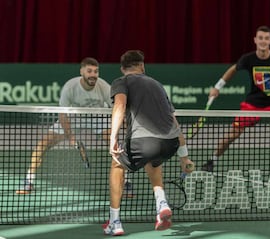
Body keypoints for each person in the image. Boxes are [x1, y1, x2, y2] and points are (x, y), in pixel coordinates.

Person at [103, 50, 194, 235]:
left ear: (122, 69)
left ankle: (115, 222)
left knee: (117, 164)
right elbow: (173, 120)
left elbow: (119, 105)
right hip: (170, 143)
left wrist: (113, 137)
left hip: (143, 141)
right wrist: (184, 158)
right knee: (153, 161)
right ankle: (161, 205)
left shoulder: (121, 82)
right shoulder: (157, 84)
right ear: (142, 66)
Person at [15, 57, 134, 196]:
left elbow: (117, 109)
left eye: (96, 71)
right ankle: (28, 181)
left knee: (116, 147)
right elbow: (62, 114)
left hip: (98, 117)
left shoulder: (104, 87)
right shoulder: (70, 87)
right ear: (81, 72)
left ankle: (126, 183)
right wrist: (70, 136)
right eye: (89, 71)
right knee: (42, 145)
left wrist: (127, 127)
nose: (93, 75)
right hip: (75, 117)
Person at [201, 25, 270, 172]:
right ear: (255, 40)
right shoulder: (248, 59)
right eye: (260, 38)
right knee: (232, 134)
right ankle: (212, 161)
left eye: (266, 38)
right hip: (253, 104)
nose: (263, 41)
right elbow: (232, 70)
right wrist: (217, 87)